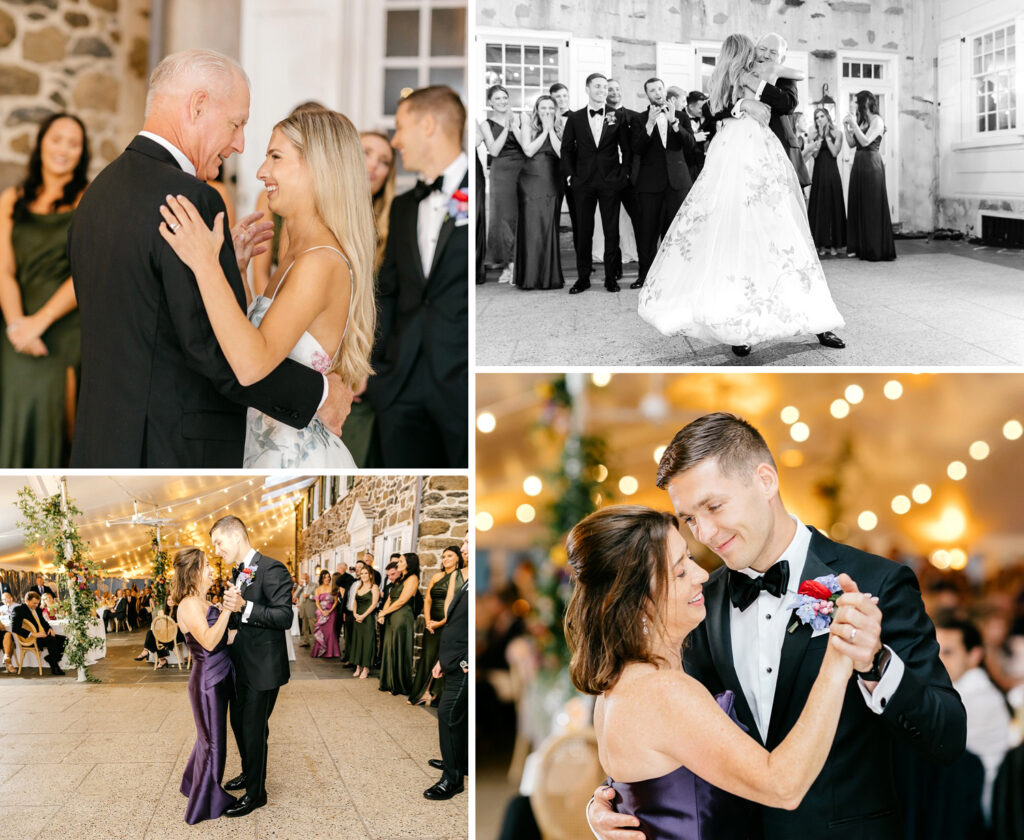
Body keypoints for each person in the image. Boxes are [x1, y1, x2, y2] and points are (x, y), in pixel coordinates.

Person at [588, 412, 967, 840]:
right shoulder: (698, 602)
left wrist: (877, 664)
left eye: (714, 506)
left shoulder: (875, 582)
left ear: (766, 481)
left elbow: (948, 737)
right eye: (690, 519)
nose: (706, 533)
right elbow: (664, 722)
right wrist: (617, 799)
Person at [68, 49, 351, 467]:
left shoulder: (98, 194)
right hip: (172, 448)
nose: (240, 145)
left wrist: (231, 273)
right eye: (236, 124)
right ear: (198, 105)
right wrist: (321, 394)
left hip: (103, 442)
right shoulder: (190, 199)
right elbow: (215, 351)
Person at [569, 505, 863, 837]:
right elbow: (782, 786)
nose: (702, 575)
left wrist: (601, 807)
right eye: (680, 572)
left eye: (690, 560)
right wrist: (838, 661)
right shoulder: (663, 691)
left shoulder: (617, 686)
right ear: (638, 603)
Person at [160, 106, 375, 468]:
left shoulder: (319, 261)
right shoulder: (297, 250)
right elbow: (262, 338)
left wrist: (206, 263)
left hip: (292, 458)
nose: (262, 172)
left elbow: (250, 365)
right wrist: (240, 274)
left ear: (318, 168)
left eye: (275, 157)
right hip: (262, 447)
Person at [637, 34, 846, 358]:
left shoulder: (781, 74)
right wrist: (740, 103)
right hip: (732, 164)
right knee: (736, 242)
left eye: (771, 51)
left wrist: (758, 85)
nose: (764, 54)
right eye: (760, 49)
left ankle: (819, 321)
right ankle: (740, 326)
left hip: (766, 163)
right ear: (750, 51)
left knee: (787, 239)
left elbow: (788, 104)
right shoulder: (730, 76)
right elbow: (711, 113)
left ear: (780, 54)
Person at [366, 85, 468, 469]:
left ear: (428, 125)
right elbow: (388, 292)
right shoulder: (403, 207)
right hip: (400, 383)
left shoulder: (482, 188)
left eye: (400, 127)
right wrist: (374, 367)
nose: (395, 141)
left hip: (460, 382)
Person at [0, 113, 89, 468]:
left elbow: (87, 273)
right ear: (41, 143)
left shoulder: (88, 200)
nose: (64, 149)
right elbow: (4, 269)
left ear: (83, 152)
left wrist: (40, 322)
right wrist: (16, 325)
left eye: (74, 143)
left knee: (53, 405)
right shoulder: (12, 198)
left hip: (65, 324)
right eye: (57, 139)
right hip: (15, 322)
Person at [213, 515, 293, 817]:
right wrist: (229, 615)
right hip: (240, 663)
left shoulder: (272, 569)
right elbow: (240, 618)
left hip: (263, 668)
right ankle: (249, 772)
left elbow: (285, 616)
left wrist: (243, 607)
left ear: (235, 537)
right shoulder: (239, 572)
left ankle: (257, 794)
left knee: (253, 729)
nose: (218, 550)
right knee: (238, 724)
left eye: (219, 543)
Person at [338, 129, 398, 468]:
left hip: (364, 362)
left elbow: (382, 306)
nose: (374, 166)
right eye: (366, 153)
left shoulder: (388, 227)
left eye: (385, 161)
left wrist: (362, 363)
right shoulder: (319, 215)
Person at [173, 548, 235, 823]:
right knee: (214, 744)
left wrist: (230, 614)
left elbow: (226, 639)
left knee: (206, 739)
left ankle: (191, 783)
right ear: (194, 572)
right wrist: (226, 611)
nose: (212, 569)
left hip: (220, 676)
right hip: (207, 682)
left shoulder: (204, 602)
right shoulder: (188, 605)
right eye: (207, 565)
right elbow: (209, 642)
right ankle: (204, 802)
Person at [936, 615, 1017, 824]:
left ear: (974, 656)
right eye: (935, 651)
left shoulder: (975, 697)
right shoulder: (960, 692)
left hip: (975, 811)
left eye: (948, 652)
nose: (938, 659)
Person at [560, 73, 631, 294]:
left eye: (605, 87)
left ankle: (611, 278)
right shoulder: (576, 117)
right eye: (598, 86)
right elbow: (566, 149)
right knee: (583, 230)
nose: (603, 90)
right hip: (583, 182)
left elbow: (626, 149)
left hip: (610, 181)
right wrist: (571, 175)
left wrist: (623, 174)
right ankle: (583, 278)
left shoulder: (616, 116)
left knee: (611, 231)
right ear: (587, 88)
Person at [628, 78, 694, 291]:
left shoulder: (682, 116)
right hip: (649, 184)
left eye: (659, 88)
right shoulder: (638, 119)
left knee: (676, 233)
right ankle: (645, 276)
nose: (657, 93)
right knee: (647, 232)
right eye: (652, 90)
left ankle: (674, 277)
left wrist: (675, 122)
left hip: (677, 182)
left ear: (664, 90)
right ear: (647, 94)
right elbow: (636, 149)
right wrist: (648, 124)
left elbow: (691, 146)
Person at [424, 539, 470, 801]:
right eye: (464, 542)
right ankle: (456, 762)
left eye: (468, 542)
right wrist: (443, 659)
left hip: (464, 662)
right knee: (458, 716)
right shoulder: (466, 580)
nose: (463, 548)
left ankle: (452, 780)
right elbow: (458, 623)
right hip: (453, 658)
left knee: (448, 713)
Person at [513, 95, 564, 291]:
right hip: (530, 180)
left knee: (548, 225)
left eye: (550, 108)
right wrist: (545, 130)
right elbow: (528, 150)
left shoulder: (562, 125)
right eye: (543, 108)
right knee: (531, 227)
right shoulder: (529, 125)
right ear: (537, 109)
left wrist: (552, 131)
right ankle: (530, 277)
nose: (547, 112)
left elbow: (561, 153)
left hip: (552, 180)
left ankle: (548, 276)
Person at [843, 89, 896, 261]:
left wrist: (854, 123)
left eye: (855, 101)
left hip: (872, 165)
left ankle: (875, 248)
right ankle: (861, 247)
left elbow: (866, 141)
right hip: (859, 164)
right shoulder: (863, 121)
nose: (854, 104)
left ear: (864, 103)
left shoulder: (877, 121)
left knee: (872, 206)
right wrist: (846, 126)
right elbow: (852, 143)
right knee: (859, 204)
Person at [480, 85, 526, 283]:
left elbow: (526, 144)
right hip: (501, 172)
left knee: (521, 216)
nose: (502, 102)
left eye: (504, 98)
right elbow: (494, 150)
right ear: (490, 102)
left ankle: (520, 262)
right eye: (497, 99)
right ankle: (508, 265)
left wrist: (514, 125)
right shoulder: (486, 124)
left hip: (523, 168)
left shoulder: (522, 117)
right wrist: (505, 128)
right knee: (504, 217)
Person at [409, 545, 465, 706]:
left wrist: (440, 623)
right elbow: (427, 600)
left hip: (447, 621)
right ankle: (423, 691)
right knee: (427, 656)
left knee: (442, 658)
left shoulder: (460, 577)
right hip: (431, 622)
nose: (445, 559)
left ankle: (436, 693)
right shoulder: (437, 576)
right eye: (443, 556)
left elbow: (456, 604)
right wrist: (427, 621)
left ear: (458, 559)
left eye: (450, 556)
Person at [806, 107, 846, 256]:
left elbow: (835, 152)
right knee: (820, 207)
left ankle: (835, 244)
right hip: (819, 173)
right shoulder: (812, 133)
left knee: (833, 206)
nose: (819, 119)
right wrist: (819, 138)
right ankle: (821, 244)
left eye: (822, 116)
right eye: (816, 117)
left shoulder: (838, 133)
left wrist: (827, 137)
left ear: (828, 117)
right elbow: (815, 155)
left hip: (832, 173)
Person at [378, 552, 420, 695]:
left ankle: (399, 684)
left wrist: (385, 612)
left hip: (402, 616)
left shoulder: (413, 579)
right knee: (389, 647)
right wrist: (382, 614)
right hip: (391, 615)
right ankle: (388, 681)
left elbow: (402, 600)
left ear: (409, 563)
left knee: (399, 648)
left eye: (401, 561)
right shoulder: (400, 578)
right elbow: (390, 598)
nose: (398, 564)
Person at [549, 81, 578, 246]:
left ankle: (582, 255)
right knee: (553, 212)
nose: (562, 99)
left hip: (573, 170)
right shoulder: (546, 119)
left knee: (577, 213)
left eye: (564, 96)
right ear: (552, 99)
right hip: (552, 170)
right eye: (557, 96)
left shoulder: (577, 117)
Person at [11, 591, 65, 675]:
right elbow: (15, 628)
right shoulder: (18, 610)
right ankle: (55, 667)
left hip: (42, 635)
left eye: (37, 603)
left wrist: (50, 629)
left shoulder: (37, 609)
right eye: (34, 603)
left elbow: (44, 622)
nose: (36, 605)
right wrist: (34, 634)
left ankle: (50, 659)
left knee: (64, 640)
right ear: (27, 600)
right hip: (32, 638)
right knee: (51, 640)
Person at [350, 563, 380, 679]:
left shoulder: (374, 587)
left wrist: (363, 616)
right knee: (358, 642)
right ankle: (358, 666)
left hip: (367, 619)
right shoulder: (359, 587)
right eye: (361, 573)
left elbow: (374, 604)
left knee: (367, 643)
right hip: (357, 618)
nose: (363, 575)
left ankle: (366, 668)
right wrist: (355, 614)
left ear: (371, 575)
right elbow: (355, 602)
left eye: (365, 573)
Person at [679, 92, 712, 181]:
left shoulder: (708, 117)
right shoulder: (678, 117)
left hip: (703, 164)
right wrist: (694, 137)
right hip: (686, 165)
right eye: (701, 108)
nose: (704, 110)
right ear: (691, 107)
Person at [310, 569, 340, 659]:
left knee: (331, 632)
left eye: (328, 577)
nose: (327, 579)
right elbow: (317, 602)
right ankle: (320, 651)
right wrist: (322, 611)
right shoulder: (318, 589)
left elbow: (335, 602)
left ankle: (331, 652)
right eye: (325, 577)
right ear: (321, 579)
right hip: (321, 613)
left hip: (331, 613)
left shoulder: (333, 588)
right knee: (322, 632)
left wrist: (329, 611)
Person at [295, 572, 316, 647]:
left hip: (311, 609)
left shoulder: (314, 585)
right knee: (305, 627)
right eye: (303, 578)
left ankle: (317, 643)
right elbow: (295, 596)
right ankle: (306, 641)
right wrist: (299, 587)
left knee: (313, 627)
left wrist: (309, 596)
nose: (304, 580)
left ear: (308, 578)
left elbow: (318, 597)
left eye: (305, 578)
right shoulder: (301, 586)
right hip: (303, 609)